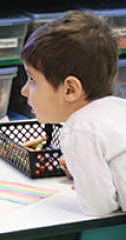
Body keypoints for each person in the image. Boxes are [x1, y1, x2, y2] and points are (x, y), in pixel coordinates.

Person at [20, 10, 126, 216]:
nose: (24, 90)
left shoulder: (80, 128)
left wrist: (87, 187)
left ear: (70, 89)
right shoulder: (118, 107)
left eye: (33, 80)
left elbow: (99, 208)